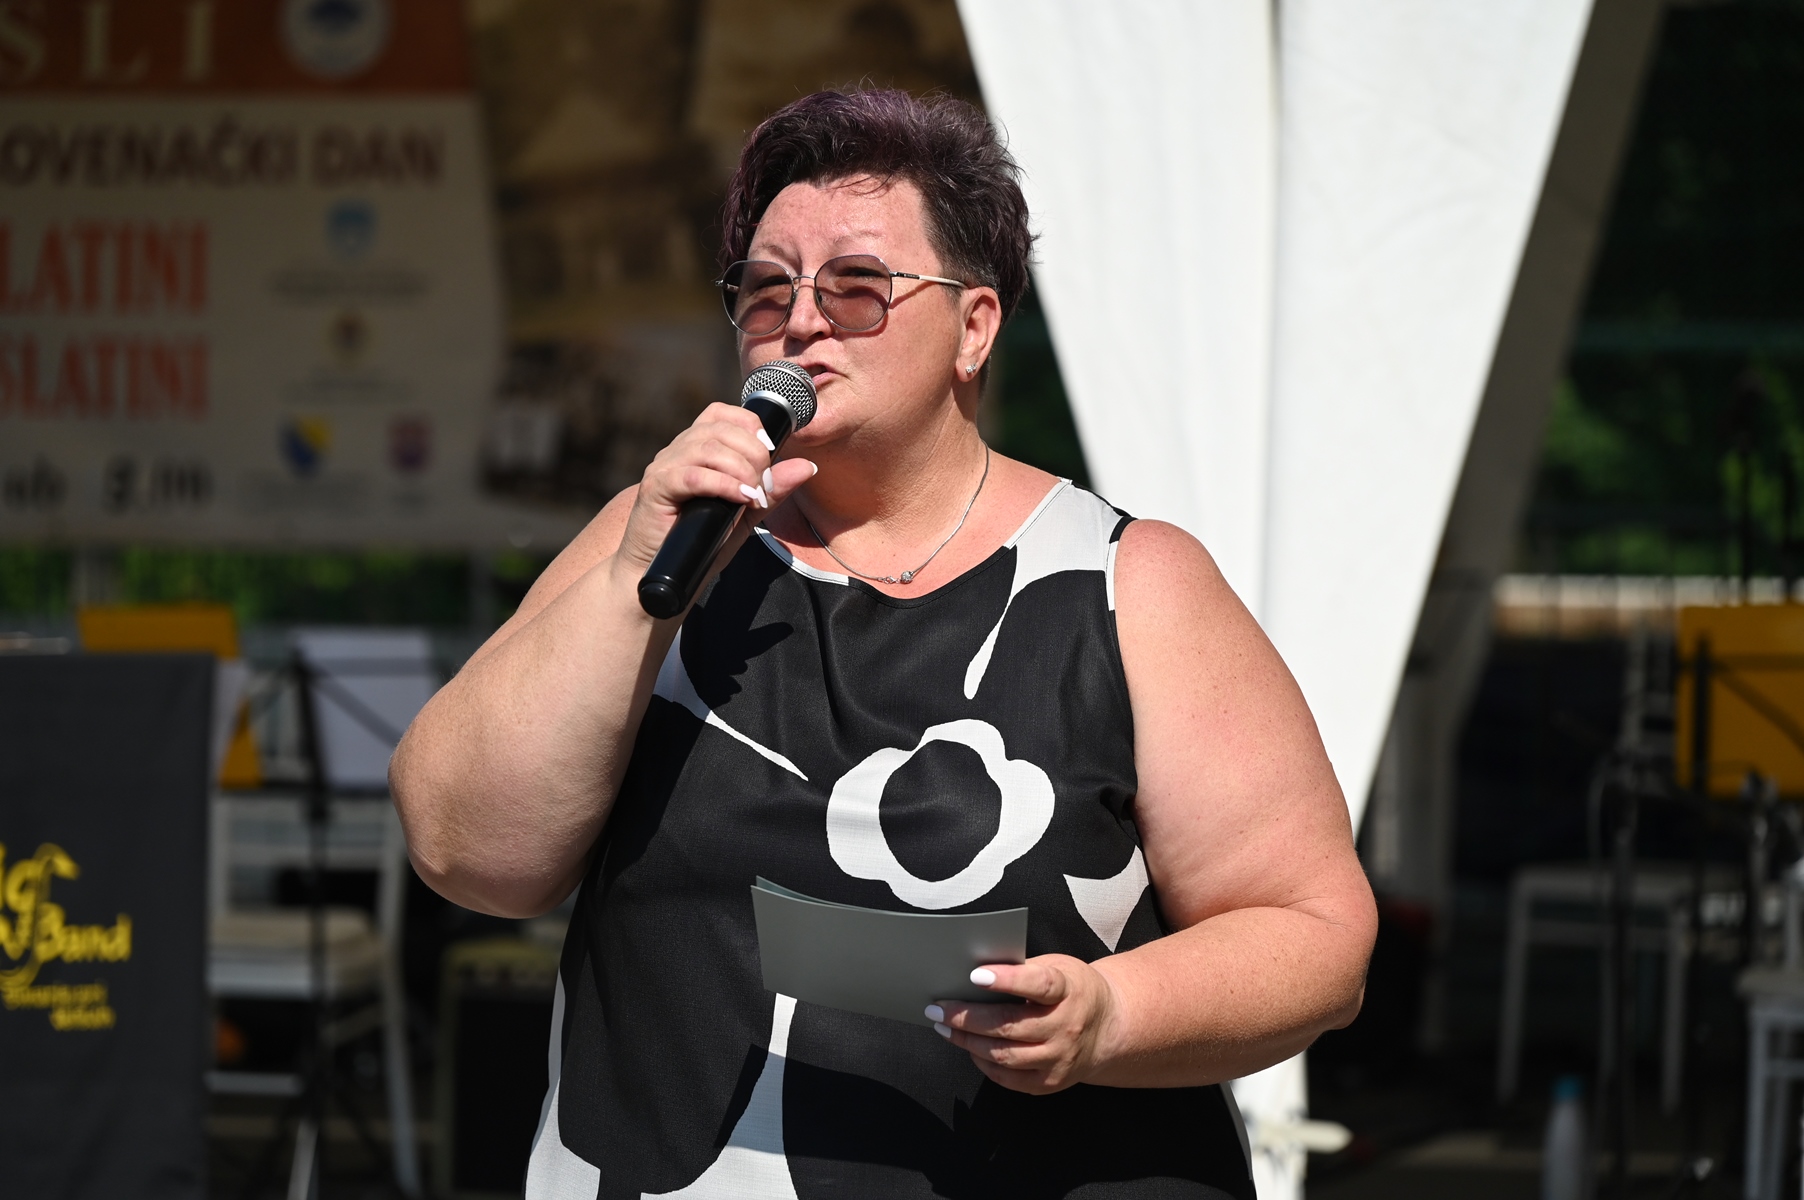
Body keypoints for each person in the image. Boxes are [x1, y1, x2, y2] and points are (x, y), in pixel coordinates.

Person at [392, 89, 1376, 1199]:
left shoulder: (1125, 585)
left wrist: (1109, 1015)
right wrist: (632, 585)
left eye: (857, 286)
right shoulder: (659, 540)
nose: (801, 320)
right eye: (767, 289)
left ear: (975, 327)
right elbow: (467, 851)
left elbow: (1312, 934)